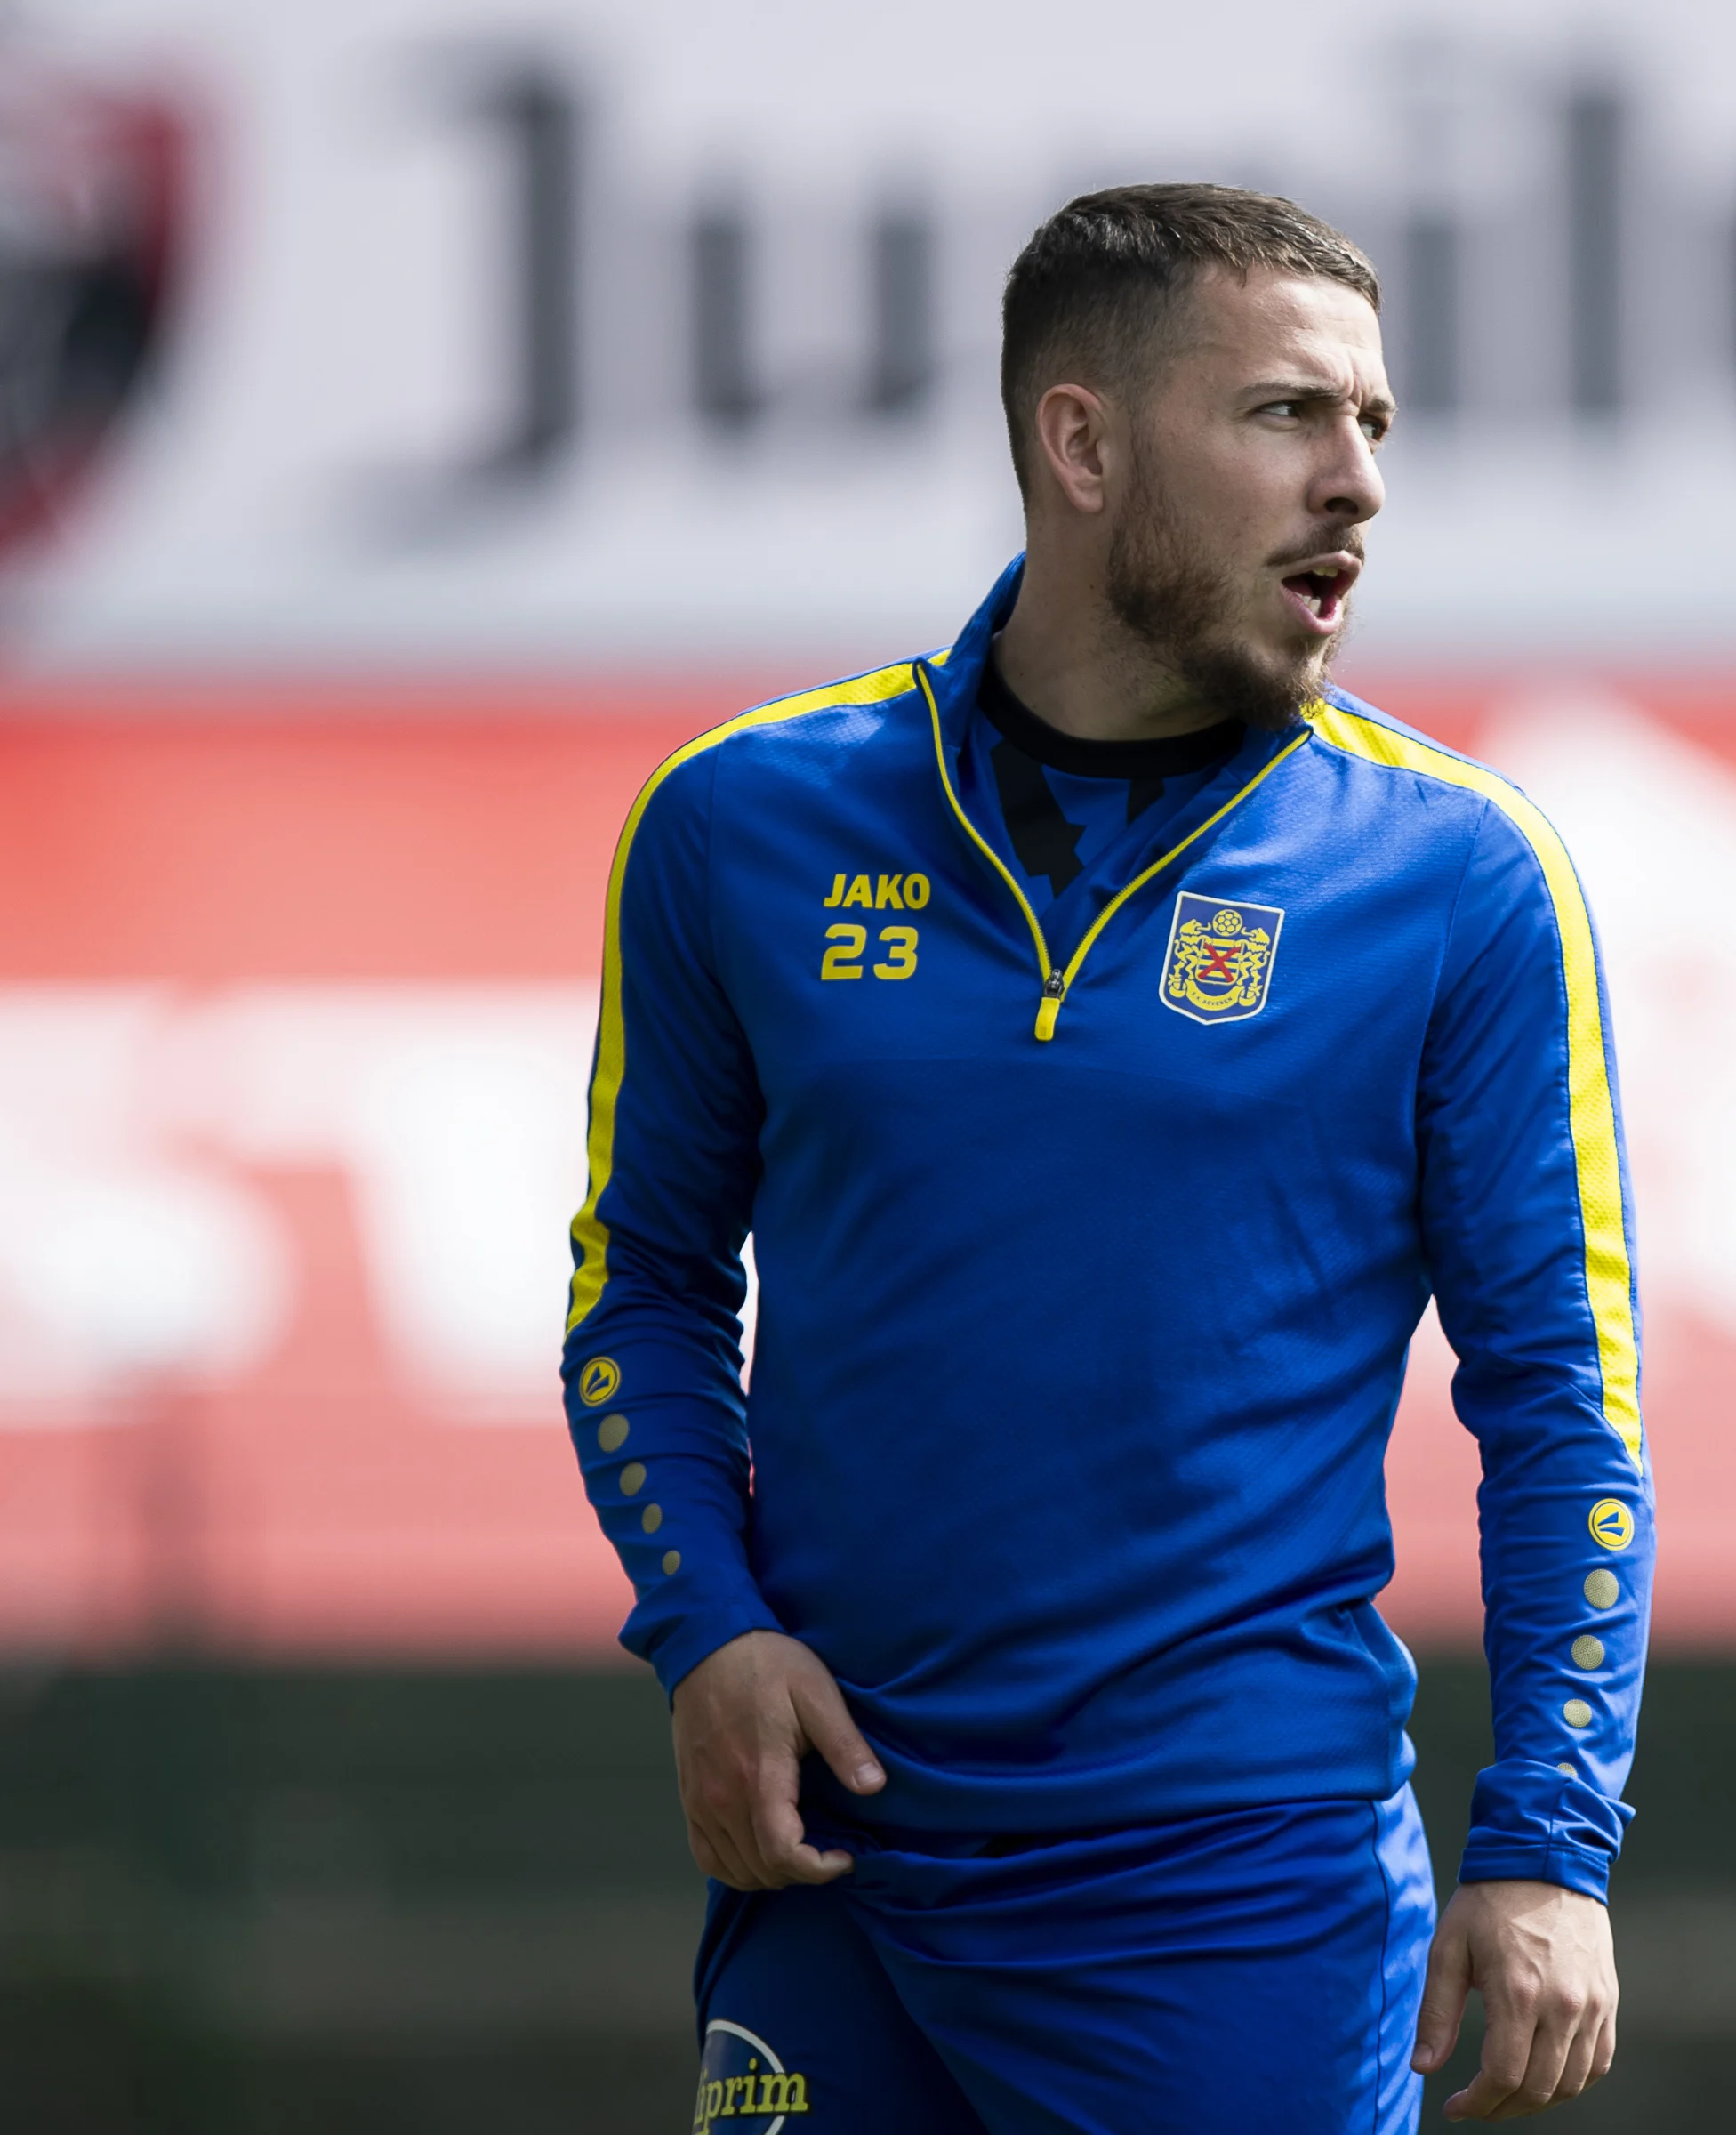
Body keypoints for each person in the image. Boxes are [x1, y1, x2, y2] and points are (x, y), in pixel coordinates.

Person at [559, 182, 1650, 2131]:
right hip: (836, 1872)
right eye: (1287, 418)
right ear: (1081, 443)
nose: (1359, 487)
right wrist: (708, 1631)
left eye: (1377, 428)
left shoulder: (1461, 875)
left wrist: (1551, 1841)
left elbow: (1563, 1403)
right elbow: (642, 1292)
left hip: (1240, 1899)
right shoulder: (737, 823)